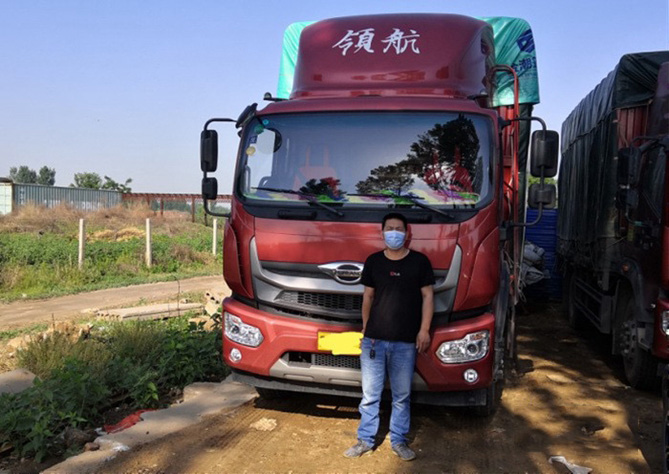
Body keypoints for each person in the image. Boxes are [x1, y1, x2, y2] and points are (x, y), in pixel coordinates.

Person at [344, 212, 434, 461]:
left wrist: (424, 329)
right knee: (370, 396)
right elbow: (368, 296)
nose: (394, 233)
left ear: (407, 233)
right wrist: (366, 327)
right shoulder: (374, 261)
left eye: (399, 228)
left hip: (405, 343)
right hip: (374, 342)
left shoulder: (419, 262)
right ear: (382, 232)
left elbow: (428, 296)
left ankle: (399, 441)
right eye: (389, 228)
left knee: (401, 396)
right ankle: (365, 440)